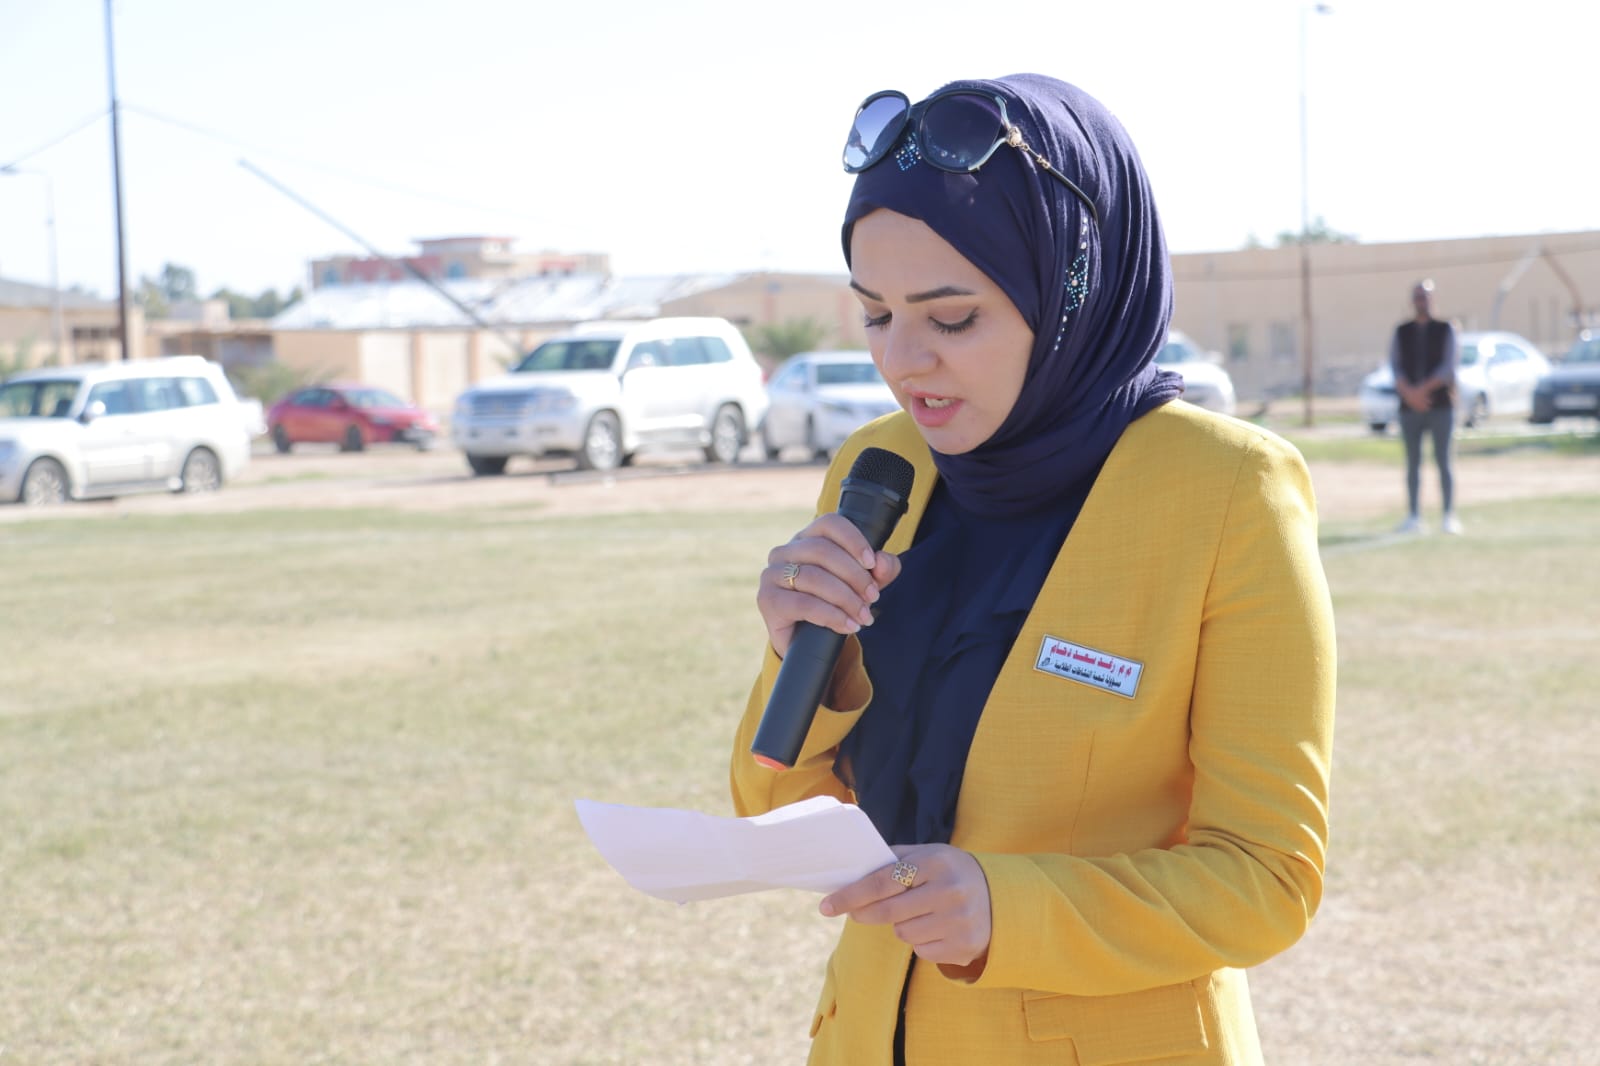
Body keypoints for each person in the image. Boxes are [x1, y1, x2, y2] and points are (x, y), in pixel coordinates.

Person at [728, 74, 1337, 1066]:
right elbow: (772, 808)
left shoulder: (1228, 490)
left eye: (951, 319)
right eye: (875, 315)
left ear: (1070, 292)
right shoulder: (879, 466)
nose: (903, 361)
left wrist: (1005, 907)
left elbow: (1266, 879)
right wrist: (799, 653)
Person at [1389, 279, 1461, 534]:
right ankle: (1414, 516)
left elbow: (1448, 367)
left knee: (1444, 460)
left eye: (1426, 296)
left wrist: (1422, 391)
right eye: (1418, 296)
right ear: (1413, 300)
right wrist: (1410, 394)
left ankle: (1448, 516)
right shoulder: (1402, 331)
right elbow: (1395, 366)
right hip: (1410, 408)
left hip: (1440, 405)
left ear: (1433, 298)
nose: (1422, 301)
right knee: (1412, 463)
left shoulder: (1446, 328)